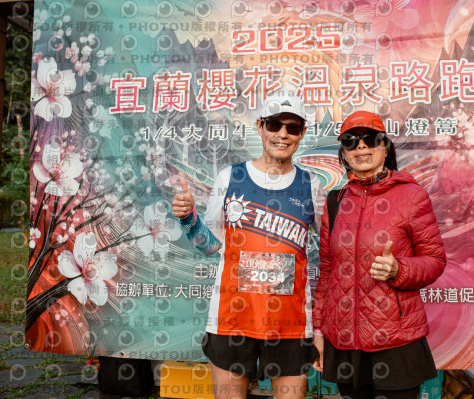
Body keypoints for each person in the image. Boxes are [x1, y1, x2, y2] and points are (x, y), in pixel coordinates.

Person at [172, 95, 324, 399]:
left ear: (302, 133)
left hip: (291, 324)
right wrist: (188, 218)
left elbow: (329, 254)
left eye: (292, 127)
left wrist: (320, 328)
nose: (282, 134)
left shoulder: (312, 185)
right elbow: (209, 246)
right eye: (274, 125)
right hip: (231, 320)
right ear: (260, 126)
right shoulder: (230, 177)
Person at [312, 110, 446, 399]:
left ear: (385, 147)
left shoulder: (411, 196)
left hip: (396, 341)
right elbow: (327, 272)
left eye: (371, 138)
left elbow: (435, 261)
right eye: (351, 141)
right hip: (344, 341)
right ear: (344, 153)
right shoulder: (335, 201)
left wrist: (399, 269)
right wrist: (319, 330)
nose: (361, 146)